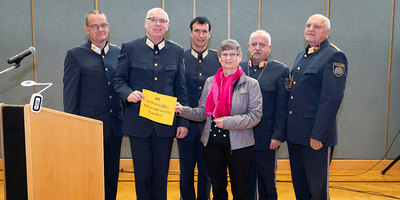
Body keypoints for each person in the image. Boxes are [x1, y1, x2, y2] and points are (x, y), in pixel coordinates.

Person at [112, 7, 189, 200]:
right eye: (153, 20)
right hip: (138, 124)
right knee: (142, 174)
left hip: (165, 125)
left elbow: (181, 89)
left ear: (167, 26)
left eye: (162, 21)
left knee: (161, 175)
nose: (157, 24)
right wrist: (128, 94)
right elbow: (118, 80)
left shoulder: (177, 51)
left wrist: (183, 122)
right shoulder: (130, 48)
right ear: (146, 23)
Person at [175, 39, 262, 200]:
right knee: (218, 189)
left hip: (239, 146)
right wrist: (183, 110)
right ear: (219, 58)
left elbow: (255, 116)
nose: (228, 58)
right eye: (224, 54)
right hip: (212, 145)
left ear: (240, 56)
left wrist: (228, 122)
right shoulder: (210, 82)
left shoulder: (251, 84)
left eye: (233, 54)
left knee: (240, 190)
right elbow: (202, 112)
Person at [286, 14, 348, 200]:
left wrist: (318, 134)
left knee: (318, 191)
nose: (311, 29)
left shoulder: (334, 56)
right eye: (308, 25)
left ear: (327, 32)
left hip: (316, 139)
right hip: (296, 136)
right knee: (301, 188)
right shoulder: (302, 55)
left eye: (317, 27)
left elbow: (332, 98)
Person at [63, 10, 123, 200]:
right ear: (86, 29)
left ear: (108, 27)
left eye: (103, 25)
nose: (100, 30)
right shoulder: (75, 55)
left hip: (115, 125)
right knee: (90, 174)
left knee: (112, 175)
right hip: (88, 126)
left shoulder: (119, 53)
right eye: (95, 26)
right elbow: (70, 93)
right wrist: (73, 124)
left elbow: (123, 88)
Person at [240, 30, 289, 200]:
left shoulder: (280, 71)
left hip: (266, 139)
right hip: (241, 138)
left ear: (269, 48)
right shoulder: (238, 68)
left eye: (262, 45)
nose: (257, 48)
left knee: (267, 184)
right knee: (243, 184)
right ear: (248, 47)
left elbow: (282, 107)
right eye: (254, 44)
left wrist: (277, 136)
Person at [178, 16, 219, 200]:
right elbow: (177, 91)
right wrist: (182, 122)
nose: (200, 35)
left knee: (207, 173)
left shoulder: (218, 59)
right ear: (190, 32)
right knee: (186, 174)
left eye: (204, 31)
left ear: (209, 34)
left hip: (209, 128)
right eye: (197, 31)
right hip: (185, 127)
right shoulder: (181, 58)